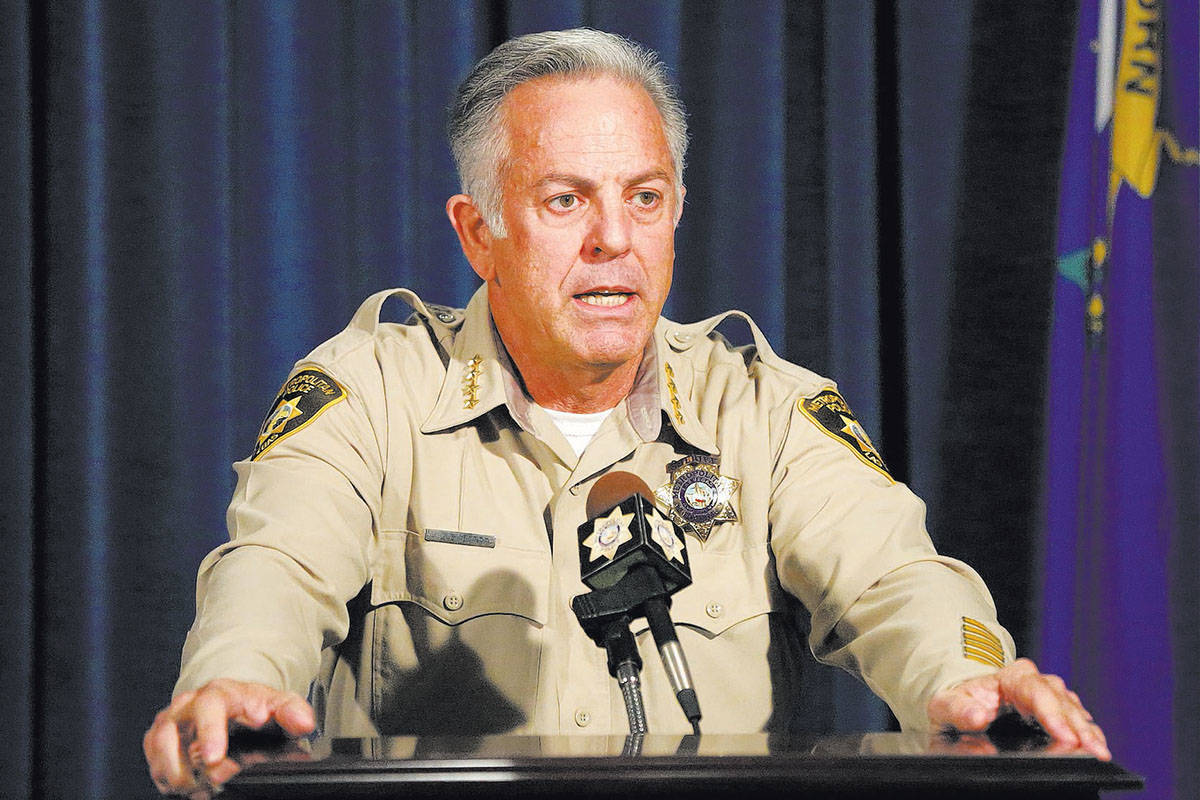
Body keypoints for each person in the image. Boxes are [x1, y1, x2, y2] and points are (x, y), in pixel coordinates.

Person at [143, 28, 1109, 797]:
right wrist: (237, 679)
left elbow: (896, 578)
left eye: (645, 199)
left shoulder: (764, 408)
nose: (615, 239)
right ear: (479, 232)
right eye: (567, 200)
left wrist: (963, 677)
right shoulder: (374, 389)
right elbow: (276, 568)